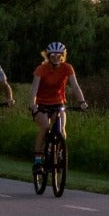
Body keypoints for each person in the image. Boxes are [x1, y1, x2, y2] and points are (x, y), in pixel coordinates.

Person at [30, 41, 87, 171]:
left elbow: (75, 86)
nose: (56, 57)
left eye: (59, 54)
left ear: (63, 55)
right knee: (44, 126)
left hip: (58, 103)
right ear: (48, 56)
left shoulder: (67, 68)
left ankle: (59, 153)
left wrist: (82, 102)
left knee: (61, 130)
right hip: (41, 104)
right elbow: (34, 89)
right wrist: (33, 105)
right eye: (53, 54)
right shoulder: (41, 69)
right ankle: (38, 161)